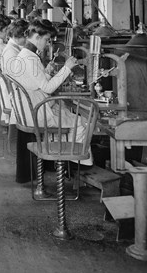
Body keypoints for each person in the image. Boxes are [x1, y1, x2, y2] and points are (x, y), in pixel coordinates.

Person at [12, 19, 92, 166]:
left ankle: (61, 158)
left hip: (32, 109)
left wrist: (47, 72)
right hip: (37, 113)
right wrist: (67, 68)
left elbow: (37, 82)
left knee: (65, 111)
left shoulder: (25, 54)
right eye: (46, 40)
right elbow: (48, 88)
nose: (48, 44)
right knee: (82, 122)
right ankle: (76, 163)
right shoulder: (30, 58)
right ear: (36, 37)